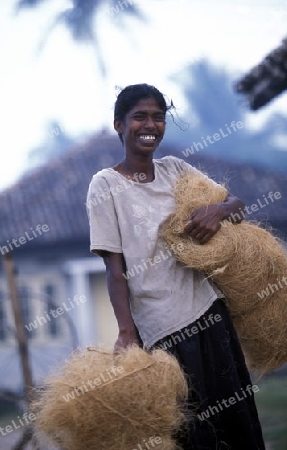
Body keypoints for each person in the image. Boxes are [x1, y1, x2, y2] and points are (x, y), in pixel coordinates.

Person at [86, 83, 265, 449]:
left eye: (158, 117)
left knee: (237, 423)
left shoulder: (175, 171)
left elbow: (237, 202)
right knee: (190, 432)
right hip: (161, 329)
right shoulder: (104, 185)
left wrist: (218, 210)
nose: (149, 125)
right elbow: (114, 268)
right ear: (119, 124)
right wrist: (125, 332)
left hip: (209, 312)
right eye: (139, 117)